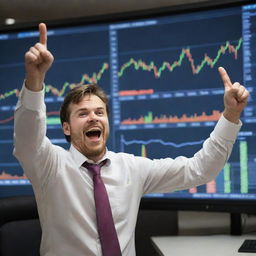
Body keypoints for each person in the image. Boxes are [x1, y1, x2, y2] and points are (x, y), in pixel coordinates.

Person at [13, 23, 249, 256]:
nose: (93, 118)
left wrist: (230, 115)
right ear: (66, 127)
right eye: (83, 113)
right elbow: (27, 138)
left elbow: (200, 171)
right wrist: (34, 81)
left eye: (99, 112)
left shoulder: (131, 168)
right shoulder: (50, 165)